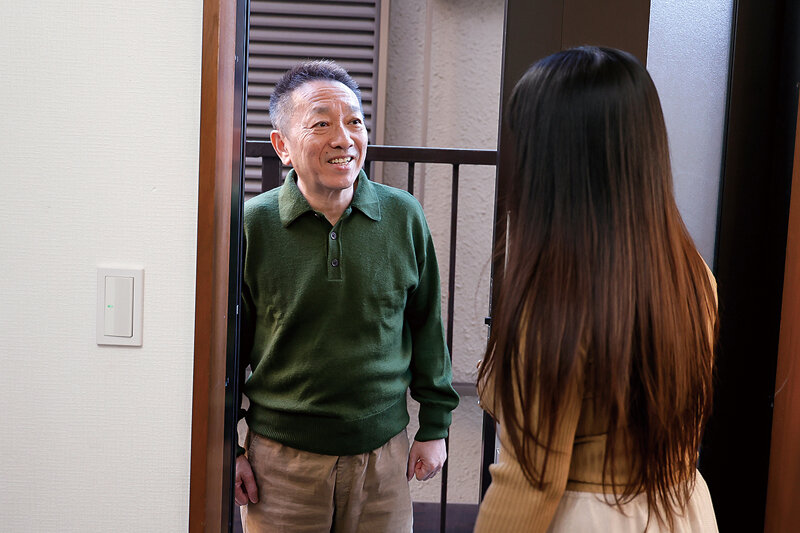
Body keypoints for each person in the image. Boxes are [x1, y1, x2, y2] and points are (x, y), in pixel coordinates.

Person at [474, 47, 719, 532]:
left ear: (553, 161)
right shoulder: (692, 274)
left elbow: (532, 479)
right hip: (681, 509)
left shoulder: (557, 295)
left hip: (585, 517)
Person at [234, 59, 459, 532]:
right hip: (280, 464)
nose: (344, 139)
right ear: (282, 146)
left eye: (354, 122)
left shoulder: (404, 215)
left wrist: (435, 426)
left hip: (384, 458)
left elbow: (426, 325)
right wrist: (228, 450)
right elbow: (227, 351)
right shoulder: (254, 225)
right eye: (321, 125)